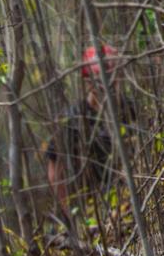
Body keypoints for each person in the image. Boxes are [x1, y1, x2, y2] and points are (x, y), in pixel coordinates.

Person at [45, 43, 135, 208]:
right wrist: (71, 213)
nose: (105, 84)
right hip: (94, 208)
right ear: (87, 81)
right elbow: (55, 173)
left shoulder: (131, 111)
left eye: (110, 77)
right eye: (97, 79)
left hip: (131, 200)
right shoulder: (73, 119)